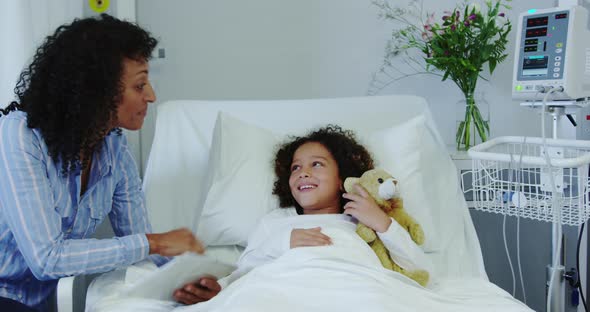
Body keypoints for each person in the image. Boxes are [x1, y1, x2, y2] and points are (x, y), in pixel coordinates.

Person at [0, 14, 219, 311]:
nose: (152, 96)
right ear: (96, 91)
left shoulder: (114, 149)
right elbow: (47, 259)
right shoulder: (19, 136)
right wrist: (155, 242)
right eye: (140, 86)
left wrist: (188, 277)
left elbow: (138, 239)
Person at [203, 126, 432, 302]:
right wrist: (283, 242)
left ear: (344, 178)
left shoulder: (361, 221)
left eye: (317, 164)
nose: (303, 173)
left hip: (356, 289)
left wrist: (383, 223)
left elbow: (418, 269)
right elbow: (244, 271)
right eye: (296, 167)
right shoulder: (277, 222)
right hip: (285, 291)